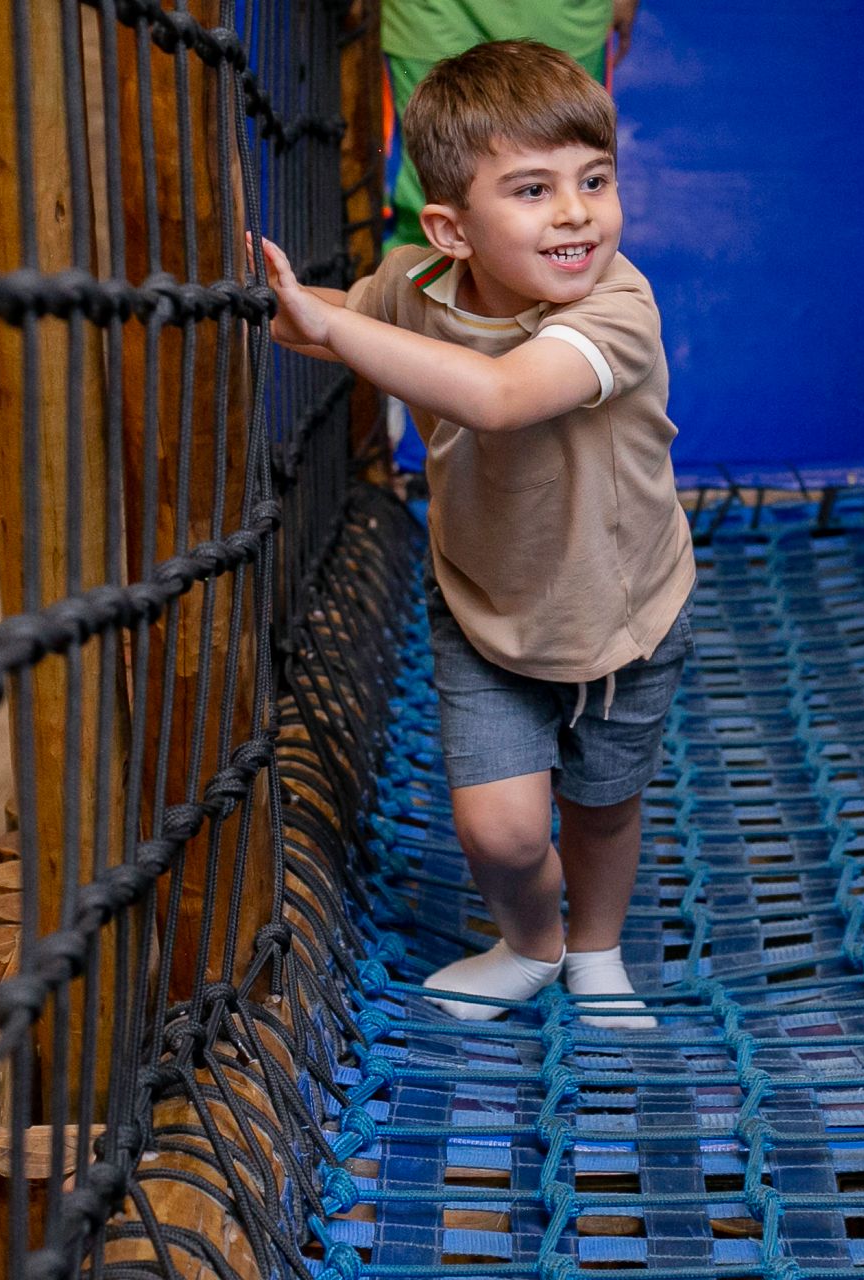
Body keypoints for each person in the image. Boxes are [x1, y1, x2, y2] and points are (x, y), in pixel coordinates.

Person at [250, 39, 692, 1029]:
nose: (577, 211)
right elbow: (336, 316)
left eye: (595, 180)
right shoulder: (414, 285)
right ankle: (533, 944)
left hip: (623, 616)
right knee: (499, 831)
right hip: (485, 605)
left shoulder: (617, 308)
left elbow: (497, 397)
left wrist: (333, 335)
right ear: (450, 230)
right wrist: (280, 305)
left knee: (602, 806)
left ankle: (597, 949)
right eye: (532, 190)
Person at [383, 0, 639, 250]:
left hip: (561, 14)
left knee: (569, 160)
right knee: (428, 196)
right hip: (433, 12)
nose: (575, 214)